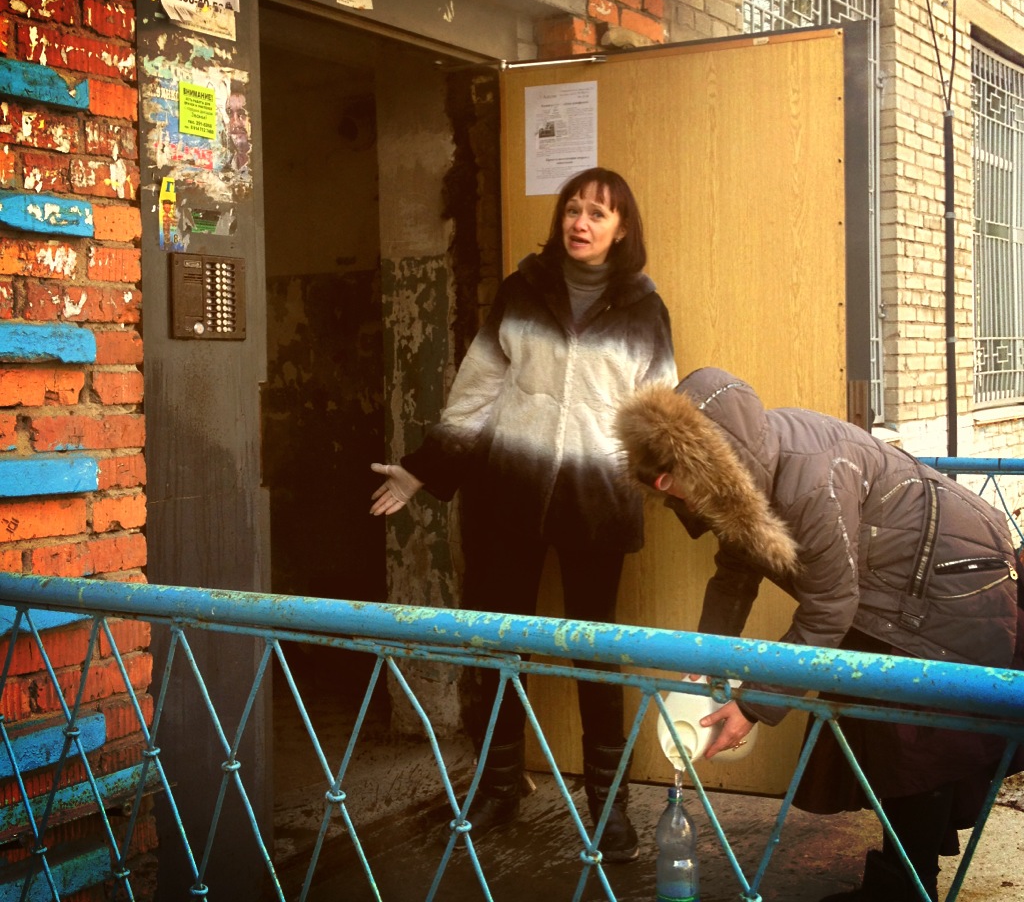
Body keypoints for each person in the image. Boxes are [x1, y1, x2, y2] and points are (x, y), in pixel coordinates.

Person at [615, 367, 1023, 902]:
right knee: (891, 738)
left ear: (703, 463)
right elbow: (734, 576)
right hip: (901, 585)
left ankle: (904, 890)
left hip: (952, 581)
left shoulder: (811, 481)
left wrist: (754, 705)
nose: (671, 498)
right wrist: (705, 660)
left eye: (671, 483)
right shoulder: (745, 471)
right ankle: (899, 883)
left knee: (915, 744)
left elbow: (830, 607)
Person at [370, 166, 677, 861]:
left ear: (622, 228)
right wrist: (423, 468)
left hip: (597, 501)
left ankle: (609, 810)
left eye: (598, 213)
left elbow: (659, 411)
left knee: (595, 654)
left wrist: (687, 490)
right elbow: (477, 389)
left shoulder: (644, 309)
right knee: (499, 644)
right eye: (573, 209)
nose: (581, 223)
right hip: (509, 492)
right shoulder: (522, 290)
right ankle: (499, 786)